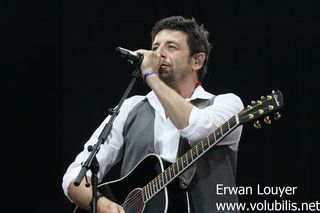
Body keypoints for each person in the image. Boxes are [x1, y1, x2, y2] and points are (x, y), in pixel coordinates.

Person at [62, 16, 244, 213]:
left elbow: (196, 129)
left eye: (171, 47)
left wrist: (151, 76)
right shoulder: (131, 107)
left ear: (197, 61)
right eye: (155, 47)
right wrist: (102, 205)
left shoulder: (227, 104)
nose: (158, 54)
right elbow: (74, 176)